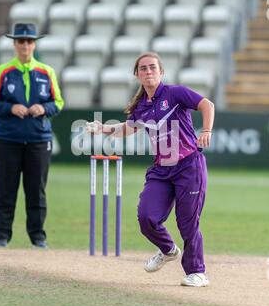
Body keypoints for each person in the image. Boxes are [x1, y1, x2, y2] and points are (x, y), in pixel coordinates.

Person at [86, 52, 215, 287]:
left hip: (189, 166)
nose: (148, 72)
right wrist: (103, 128)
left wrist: (206, 131)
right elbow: (129, 128)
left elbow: (207, 104)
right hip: (162, 170)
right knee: (146, 217)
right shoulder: (141, 106)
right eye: (143, 69)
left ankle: (197, 272)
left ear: (161, 72)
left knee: (187, 222)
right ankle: (167, 250)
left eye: (152, 67)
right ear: (137, 75)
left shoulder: (175, 93)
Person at [0, 23, 64, 249]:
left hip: (38, 139)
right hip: (7, 139)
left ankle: (38, 236)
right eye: (21, 41)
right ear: (14, 44)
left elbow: (58, 102)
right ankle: (1, 235)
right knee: (5, 189)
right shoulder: (2, 71)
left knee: (36, 190)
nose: (25, 45)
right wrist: (10, 108)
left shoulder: (47, 71)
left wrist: (43, 109)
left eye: (29, 41)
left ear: (34, 44)